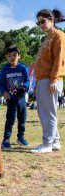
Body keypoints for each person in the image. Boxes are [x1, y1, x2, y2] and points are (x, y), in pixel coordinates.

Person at [31, 9, 65, 153]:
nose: (41, 25)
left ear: (51, 19)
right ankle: (55, 141)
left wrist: (54, 79)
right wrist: (36, 83)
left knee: (47, 113)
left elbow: (59, 59)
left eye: (43, 21)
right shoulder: (47, 38)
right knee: (45, 112)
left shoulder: (58, 35)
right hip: (42, 80)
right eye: (38, 23)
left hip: (50, 79)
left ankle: (47, 144)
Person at [0, 45, 30, 149]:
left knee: (22, 119)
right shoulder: (5, 69)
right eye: (9, 55)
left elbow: (27, 80)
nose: (12, 57)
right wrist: (4, 93)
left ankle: (21, 137)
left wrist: (24, 87)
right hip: (11, 99)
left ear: (19, 56)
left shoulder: (23, 68)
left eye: (14, 55)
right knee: (10, 119)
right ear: (7, 57)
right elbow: (1, 84)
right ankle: (6, 140)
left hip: (21, 99)